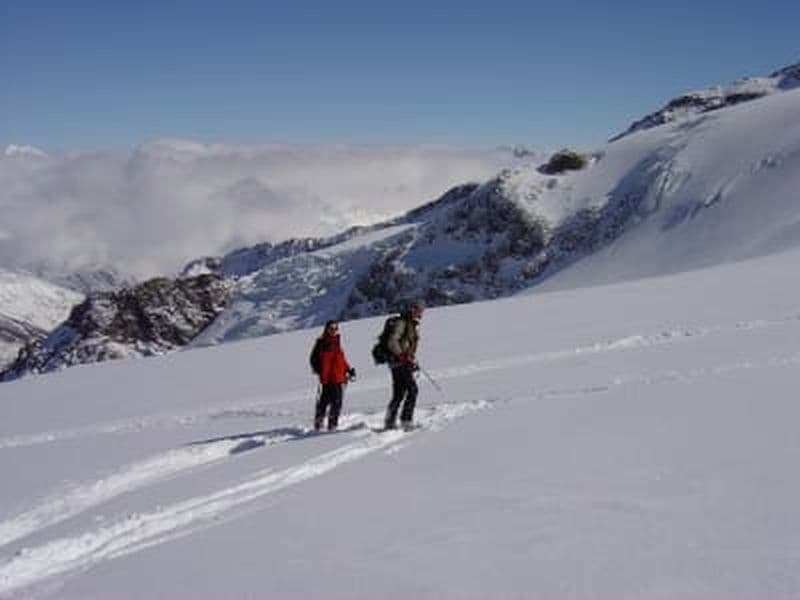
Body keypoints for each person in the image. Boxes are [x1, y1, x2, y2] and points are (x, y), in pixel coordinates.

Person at [384, 300, 424, 430]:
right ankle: (406, 420)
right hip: (400, 362)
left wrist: (411, 359)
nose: (421, 313)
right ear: (413, 310)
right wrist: (402, 355)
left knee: (399, 393)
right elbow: (392, 341)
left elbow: (405, 344)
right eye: (419, 310)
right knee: (413, 390)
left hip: (398, 363)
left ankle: (390, 421)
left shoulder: (410, 324)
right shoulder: (402, 323)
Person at [309, 320, 355, 431]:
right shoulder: (322, 343)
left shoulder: (336, 342)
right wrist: (320, 372)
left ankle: (323, 424)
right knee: (332, 403)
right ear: (326, 329)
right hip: (329, 378)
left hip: (338, 377)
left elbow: (341, 360)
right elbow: (316, 360)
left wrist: (348, 370)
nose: (334, 330)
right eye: (331, 328)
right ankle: (329, 425)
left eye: (335, 328)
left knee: (329, 402)